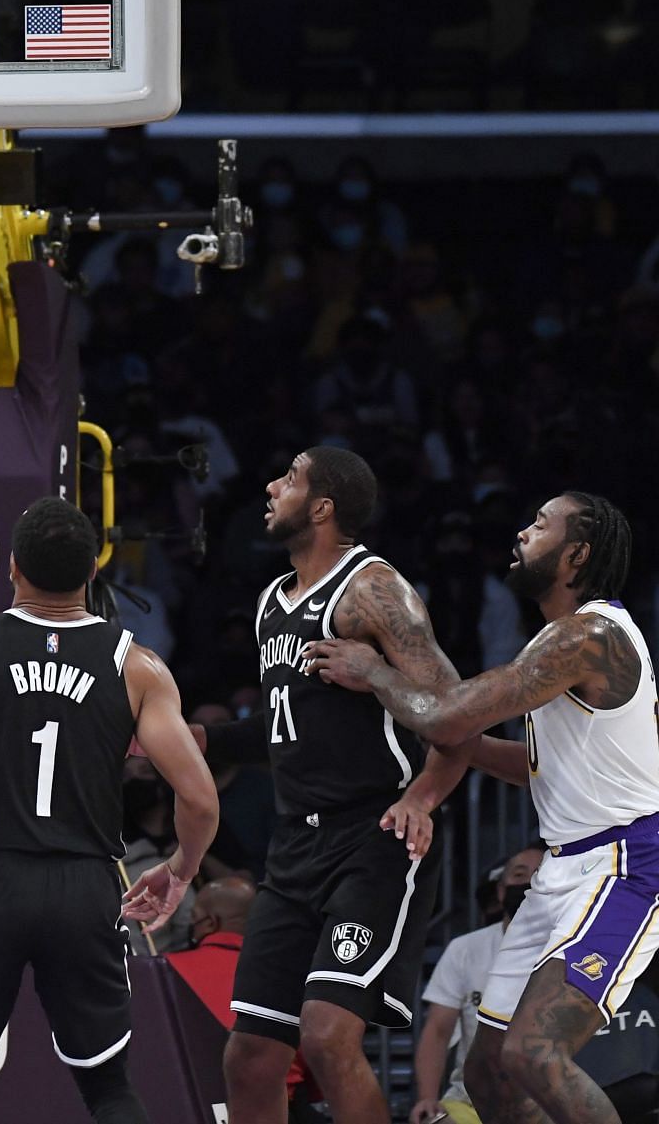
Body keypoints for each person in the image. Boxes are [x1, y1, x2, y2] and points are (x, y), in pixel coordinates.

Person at [0, 497, 219, 1124]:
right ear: (91, 574)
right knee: (108, 1087)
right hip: (86, 884)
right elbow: (199, 799)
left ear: (12, 566)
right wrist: (182, 868)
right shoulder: (137, 666)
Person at [309, 491, 658, 1124]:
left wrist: (377, 672)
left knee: (534, 1053)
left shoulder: (590, 636)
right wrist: (459, 743)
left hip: (624, 864)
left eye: (540, 524)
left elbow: (446, 713)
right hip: (565, 866)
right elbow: (529, 768)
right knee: (487, 1067)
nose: (523, 532)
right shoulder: (558, 641)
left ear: (576, 555)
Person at [203, 448, 468, 1124]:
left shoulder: (373, 588)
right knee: (251, 1054)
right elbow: (287, 726)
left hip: (373, 835)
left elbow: (455, 711)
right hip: (295, 846)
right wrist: (198, 740)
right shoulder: (271, 600)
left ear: (322, 506)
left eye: (287, 477)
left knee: (325, 1032)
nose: (269, 485)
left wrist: (422, 796)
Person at [406, 847, 545, 1124]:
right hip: (471, 1102)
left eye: (540, 876)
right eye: (519, 875)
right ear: (501, 891)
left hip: (550, 1100)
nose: (529, 883)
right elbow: (437, 1030)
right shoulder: (465, 949)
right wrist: (426, 1097)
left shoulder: (573, 949)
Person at [163, 879, 313, 1119]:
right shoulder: (289, 974)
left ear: (210, 923)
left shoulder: (166, 972)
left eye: (194, 917)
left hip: (197, 1108)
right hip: (285, 1105)